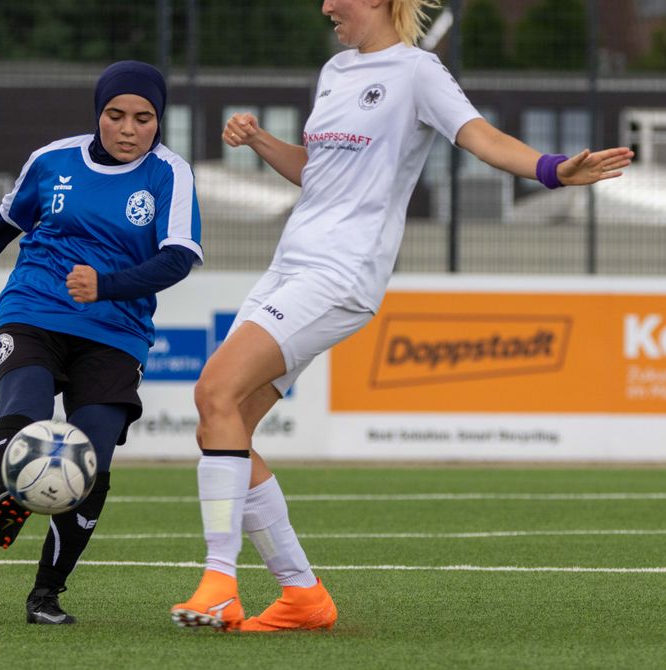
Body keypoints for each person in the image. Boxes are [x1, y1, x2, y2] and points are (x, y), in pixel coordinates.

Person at [170, 0, 633, 633]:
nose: (326, 6)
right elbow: (319, 174)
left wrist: (553, 169)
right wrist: (259, 141)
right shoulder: (334, 71)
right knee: (222, 427)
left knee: (213, 391)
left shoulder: (418, 72)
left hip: (341, 274)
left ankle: (220, 583)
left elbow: (481, 137)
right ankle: (302, 596)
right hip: (288, 268)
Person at [0, 60, 203, 625]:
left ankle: (45, 596)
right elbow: (3, 223)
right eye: (116, 115)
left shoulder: (169, 174)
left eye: (144, 118)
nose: (128, 129)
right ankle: (14, 493)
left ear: (160, 120)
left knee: (91, 468)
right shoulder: (52, 160)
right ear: (98, 113)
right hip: (33, 310)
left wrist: (107, 286)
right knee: (24, 411)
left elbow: (178, 258)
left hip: (116, 332)